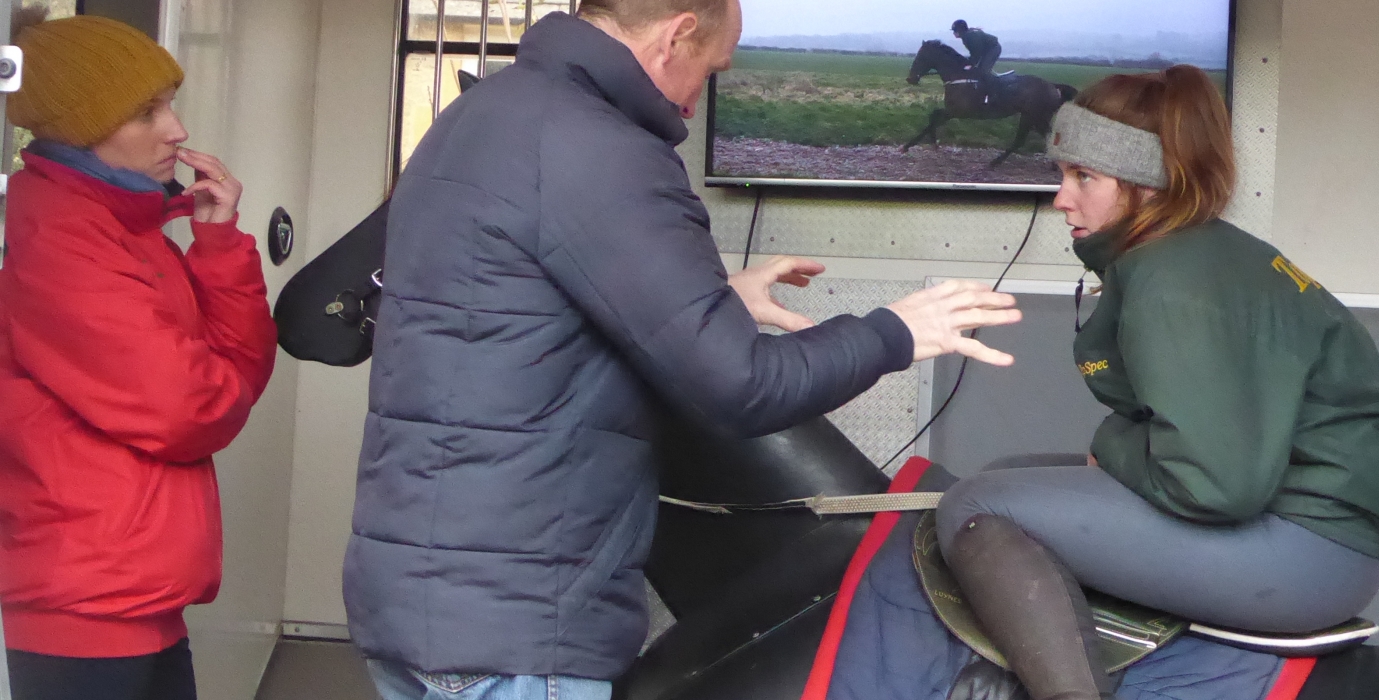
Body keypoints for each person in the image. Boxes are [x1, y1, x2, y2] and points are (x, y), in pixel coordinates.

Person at [344, 1, 1021, 699]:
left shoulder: (479, 115)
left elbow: (509, 304)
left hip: (415, 595)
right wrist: (895, 332)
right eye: (713, 67)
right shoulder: (603, 149)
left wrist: (709, 299)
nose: (700, 98)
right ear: (678, 35)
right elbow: (743, 386)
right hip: (516, 622)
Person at [934, 66, 1379, 700]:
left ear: (1145, 183)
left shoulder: (1173, 282)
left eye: (1083, 177)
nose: (1061, 199)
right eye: (1062, 175)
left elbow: (1216, 486)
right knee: (1009, 474)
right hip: (1323, 537)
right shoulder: (1199, 250)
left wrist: (1111, 445)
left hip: (1306, 555)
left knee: (975, 507)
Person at [0, 9, 278, 700]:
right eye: (147, 112)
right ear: (81, 126)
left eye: (170, 105)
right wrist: (219, 389)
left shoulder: (132, 230)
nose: (177, 130)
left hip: (140, 591)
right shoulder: (64, 244)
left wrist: (218, 243)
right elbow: (193, 409)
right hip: (87, 603)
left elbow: (241, 375)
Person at [951, 19, 1002, 99]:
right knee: (978, 69)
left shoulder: (970, 37)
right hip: (987, 49)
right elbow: (974, 53)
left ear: (960, 31)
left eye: (955, 31)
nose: (953, 33)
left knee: (984, 71)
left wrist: (970, 64)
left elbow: (977, 53)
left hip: (993, 48)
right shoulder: (966, 36)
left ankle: (994, 92)